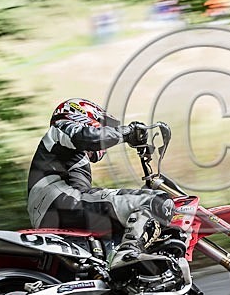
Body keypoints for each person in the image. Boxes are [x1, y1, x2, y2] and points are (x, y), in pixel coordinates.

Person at [27, 98, 176, 272]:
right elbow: (89, 137)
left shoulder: (71, 154)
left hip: (59, 207)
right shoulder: (61, 128)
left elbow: (90, 194)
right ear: (82, 116)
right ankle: (128, 254)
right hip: (59, 202)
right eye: (102, 124)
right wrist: (128, 132)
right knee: (157, 202)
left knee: (136, 210)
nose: (105, 129)